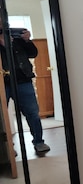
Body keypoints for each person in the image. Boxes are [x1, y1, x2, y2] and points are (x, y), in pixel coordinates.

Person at [0, 28, 50, 156]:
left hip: (23, 80)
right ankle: (7, 148)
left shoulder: (15, 35)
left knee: (33, 113)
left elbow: (33, 53)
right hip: (1, 84)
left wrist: (27, 40)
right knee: (1, 117)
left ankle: (39, 142)